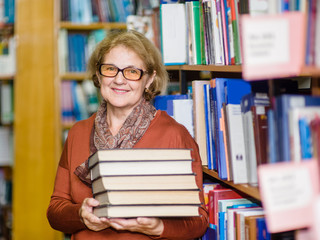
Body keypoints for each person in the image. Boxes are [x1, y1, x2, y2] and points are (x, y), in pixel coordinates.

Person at [47, 30, 209, 240]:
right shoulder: (78, 132)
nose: (119, 80)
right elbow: (55, 211)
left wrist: (157, 227)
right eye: (110, 69)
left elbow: (198, 221)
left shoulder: (175, 135)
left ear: (149, 79)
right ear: (98, 74)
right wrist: (80, 214)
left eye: (132, 72)